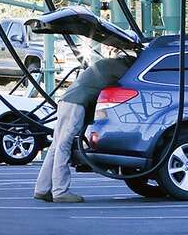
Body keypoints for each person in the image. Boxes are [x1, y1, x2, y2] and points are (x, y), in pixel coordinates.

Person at [34, 50, 135, 204]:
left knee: (56, 146)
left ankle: (42, 189)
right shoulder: (122, 67)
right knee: (63, 145)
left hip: (67, 100)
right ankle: (60, 191)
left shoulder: (106, 63)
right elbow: (131, 83)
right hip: (76, 103)